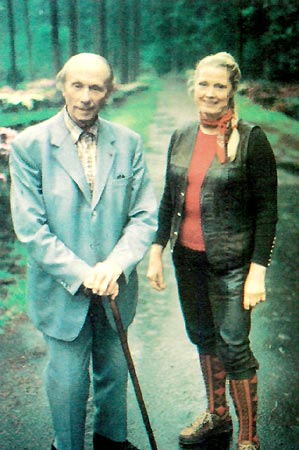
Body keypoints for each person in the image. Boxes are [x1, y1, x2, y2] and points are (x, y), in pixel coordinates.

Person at [10, 53, 157, 450]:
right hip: (62, 290)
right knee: (69, 379)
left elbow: (144, 216)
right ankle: (67, 445)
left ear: (109, 91)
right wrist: (82, 272)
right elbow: (31, 227)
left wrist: (116, 265)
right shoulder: (30, 146)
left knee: (114, 370)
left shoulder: (128, 143)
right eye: (78, 85)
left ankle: (113, 441)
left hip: (115, 286)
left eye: (96, 87)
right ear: (62, 86)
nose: (86, 96)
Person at [147, 52, 277, 450]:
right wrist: (156, 248)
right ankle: (217, 415)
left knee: (234, 346)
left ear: (232, 90)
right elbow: (170, 198)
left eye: (219, 85)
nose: (210, 92)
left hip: (232, 265)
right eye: (203, 84)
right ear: (194, 87)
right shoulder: (182, 135)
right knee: (203, 336)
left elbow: (267, 210)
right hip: (187, 259)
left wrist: (258, 270)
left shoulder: (252, 140)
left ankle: (248, 437)